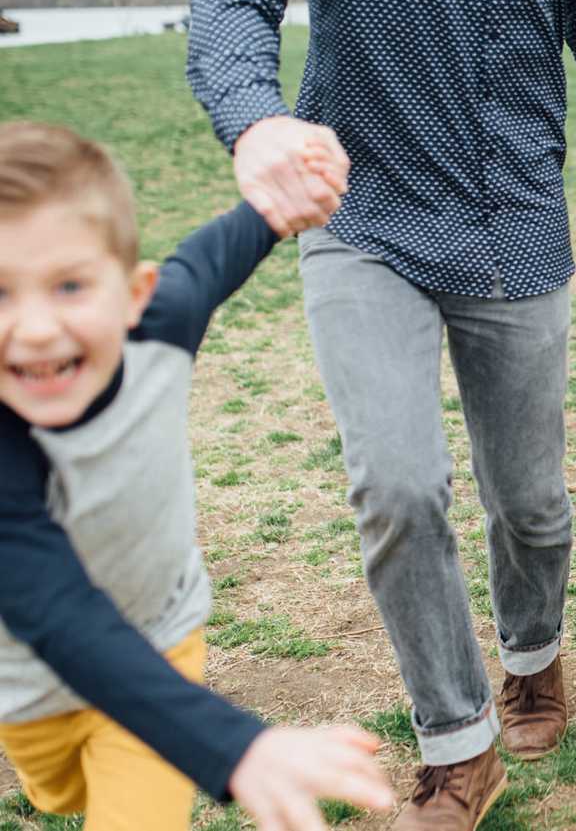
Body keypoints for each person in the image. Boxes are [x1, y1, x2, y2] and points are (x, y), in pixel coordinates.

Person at [185, 0, 576, 824]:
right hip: (362, 215)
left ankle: (532, 657)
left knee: (531, 500)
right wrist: (255, 115)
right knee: (397, 482)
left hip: (517, 219)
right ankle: (458, 741)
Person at [0, 122, 393, 831]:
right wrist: (237, 741)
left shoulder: (162, 321)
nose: (33, 327)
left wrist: (279, 207)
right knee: (58, 792)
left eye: (68, 285)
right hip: (28, 687)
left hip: (160, 634)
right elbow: (59, 613)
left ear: (133, 294)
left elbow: (210, 259)